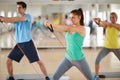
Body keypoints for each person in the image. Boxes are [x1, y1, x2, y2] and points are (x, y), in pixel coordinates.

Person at [0, 1, 50, 80]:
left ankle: (47, 77)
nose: (18, 9)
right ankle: (11, 77)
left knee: (39, 61)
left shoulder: (28, 16)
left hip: (28, 44)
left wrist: (4, 18)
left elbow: (13, 19)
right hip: (19, 45)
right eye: (17, 8)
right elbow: (10, 20)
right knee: (8, 61)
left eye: (20, 7)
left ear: (24, 9)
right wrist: (3, 19)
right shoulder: (16, 19)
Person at [44, 8, 94, 80]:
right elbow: (62, 29)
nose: (71, 19)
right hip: (68, 59)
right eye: (70, 18)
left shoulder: (82, 29)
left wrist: (50, 25)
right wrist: (48, 25)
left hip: (79, 59)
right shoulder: (70, 28)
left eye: (73, 17)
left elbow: (66, 28)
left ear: (79, 17)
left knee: (90, 78)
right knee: (55, 77)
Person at [93, 12, 120, 80]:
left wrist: (101, 21)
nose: (111, 18)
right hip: (106, 47)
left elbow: (112, 25)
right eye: (110, 17)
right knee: (97, 60)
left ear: (116, 18)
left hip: (116, 47)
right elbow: (101, 24)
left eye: (113, 17)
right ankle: (96, 76)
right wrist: (98, 22)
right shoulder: (107, 25)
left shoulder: (118, 25)